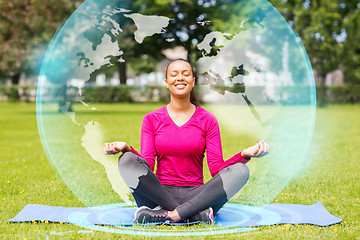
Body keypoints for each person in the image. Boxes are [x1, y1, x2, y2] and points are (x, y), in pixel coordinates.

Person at [104, 59, 269, 224]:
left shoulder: (208, 120)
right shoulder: (151, 119)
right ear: (166, 82)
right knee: (126, 160)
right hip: (159, 195)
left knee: (240, 171)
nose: (180, 78)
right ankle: (192, 215)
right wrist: (127, 149)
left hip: (198, 196)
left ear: (193, 81)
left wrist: (244, 155)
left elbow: (216, 169)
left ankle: (169, 215)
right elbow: (147, 165)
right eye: (174, 74)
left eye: (186, 74)